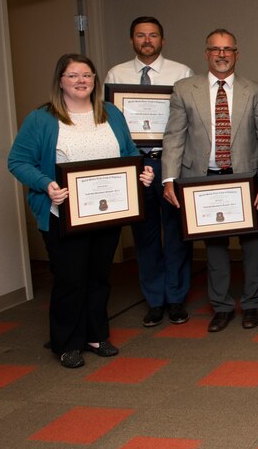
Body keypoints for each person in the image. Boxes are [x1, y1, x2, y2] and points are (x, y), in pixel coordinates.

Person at [9, 54, 155, 368]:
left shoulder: (111, 113)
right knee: (70, 279)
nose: (81, 81)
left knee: (99, 276)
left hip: (107, 213)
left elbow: (128, 153)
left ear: (95, 80)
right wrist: (46, 183)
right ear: (60, 80)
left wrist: (142, 173)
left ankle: (95, 334)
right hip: (63, 214)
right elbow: (18, 162)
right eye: (73, 75)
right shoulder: (42, 118)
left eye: (87, 75)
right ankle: (67, 342)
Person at [162, 29, 258, 333]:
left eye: (228, 49)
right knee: (215, 247)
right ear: (206, 53)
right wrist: (169, 178)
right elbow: (174, 137)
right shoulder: (184, 89)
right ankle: (221, 307)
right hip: (202, 180)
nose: (222, 55)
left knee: (252, 246)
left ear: (237, 54)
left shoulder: (255, 90)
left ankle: (251, 304)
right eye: (215, 49)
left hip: (245, 178)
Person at [104, 16, 195, 328]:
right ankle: (154, 300)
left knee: (176, 232)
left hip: (171, 162)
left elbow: (189, 120)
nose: (147, 40)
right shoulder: (116, 74)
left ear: (163, 40)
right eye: (141, 35)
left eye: (153, 35)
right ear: (132, 40)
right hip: (135, 164)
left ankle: (176, 298)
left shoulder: (181, 72)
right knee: (144, 235)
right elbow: (111, 122)